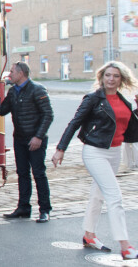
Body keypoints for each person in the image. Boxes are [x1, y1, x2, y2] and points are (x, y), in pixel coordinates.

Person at [52, 62, 138, 259]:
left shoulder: (125, 101)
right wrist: (60, 149)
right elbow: (74, 123)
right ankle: (125, 246)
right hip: (94, 152)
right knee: (114, 196)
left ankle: (89, 235)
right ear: (101, 77)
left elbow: (129, 129)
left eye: (116, 76)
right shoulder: (93, 99)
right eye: (108, 75)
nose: (111, 79)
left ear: (121, 79)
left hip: (114, 152)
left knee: (98, 194)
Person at [0, 61, 53, 222]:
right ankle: (23, 207)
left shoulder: (37, 89)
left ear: (21, 74)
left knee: (39, 173)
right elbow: (2, 110)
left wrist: (38, 137)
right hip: (20, 139)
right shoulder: (14, 91)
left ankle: (45, 209)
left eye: (12, 72)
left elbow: (48, 115)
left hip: (35, 139)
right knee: (22, 173)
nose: (10, 74)